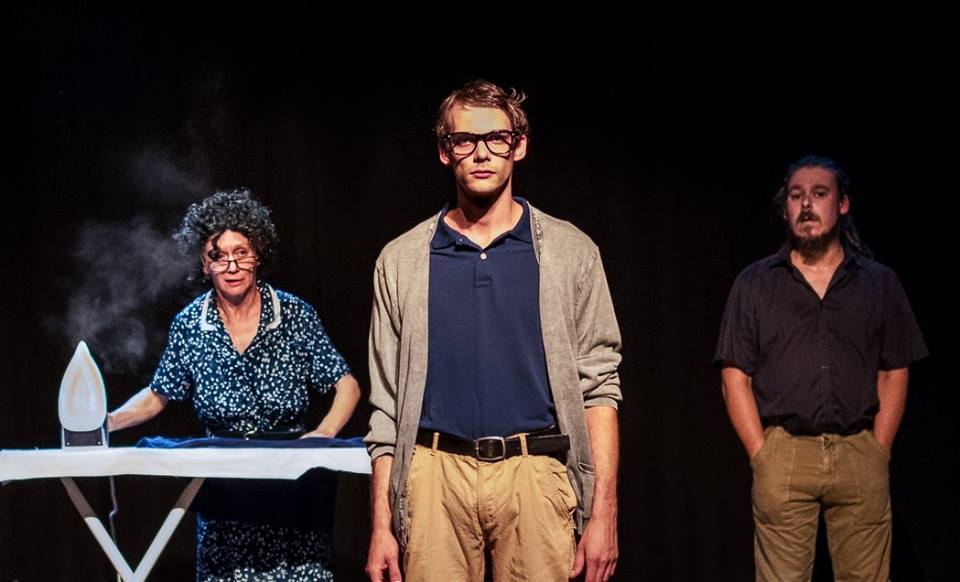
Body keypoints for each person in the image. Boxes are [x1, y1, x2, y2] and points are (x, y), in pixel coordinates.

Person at [364, 79, 622, 582]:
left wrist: (604, 513)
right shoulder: (401, 260)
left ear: (518, 146)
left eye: (496, 138)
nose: (481, 153)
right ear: (445, 152)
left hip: (536, 473)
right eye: (465, 140)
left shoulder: (571, 253)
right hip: (434, 476)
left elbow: (599, 388)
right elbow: (386, 407)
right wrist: (380, 525)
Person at [108, 189, 361, 581]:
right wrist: (103, 422)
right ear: (203, 263)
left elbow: (347, 385)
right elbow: (157, 396)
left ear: (258, 254)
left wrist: (324, 433)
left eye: (241, 253)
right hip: (224, 489)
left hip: (291, 483)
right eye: (218, 255)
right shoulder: (190, 324)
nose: (231, 266)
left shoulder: (295, 314)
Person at [714, 156, 928, 581]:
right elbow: (734, 374)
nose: (807, 205)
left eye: (819, 193)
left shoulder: (878, 282)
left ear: (842, 204)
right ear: (786, 208)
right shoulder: (756, 283)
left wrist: (878, 450)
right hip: (786, 453)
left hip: (858, 449)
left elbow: (895, 370)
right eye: (796, 196)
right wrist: (761, 453)